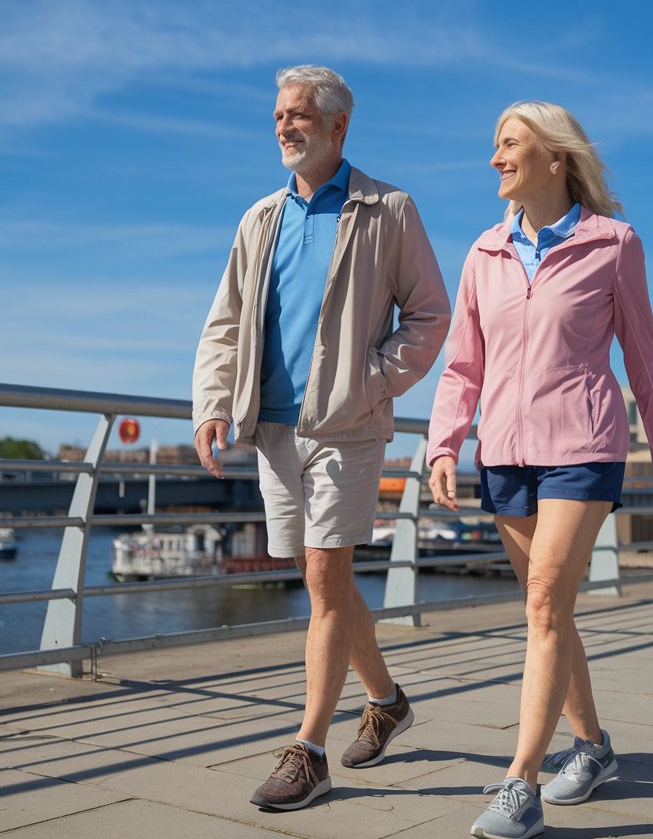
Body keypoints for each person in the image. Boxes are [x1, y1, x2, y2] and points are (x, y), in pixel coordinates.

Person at [426, 101, 653, 839]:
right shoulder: (483, 253)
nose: (493, 158)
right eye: (494, 145)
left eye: (508, 144)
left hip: (583, 445)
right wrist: (445, 443)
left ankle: (521, 785)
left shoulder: (614, 244)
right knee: (552, 610)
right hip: (504, 454)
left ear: (555, 156)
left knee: (544, 605)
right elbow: (463, 364)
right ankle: (594, 747)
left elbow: (643, 357)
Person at [193, 65, 451, 811]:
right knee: (323, 582)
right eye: (277, 115)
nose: (283, 126)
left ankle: (308, 749)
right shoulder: (259, 219)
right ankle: (389, 701)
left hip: (348, 427)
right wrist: (214, 403)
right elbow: (225, 323)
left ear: (339, 125)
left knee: (324, 580)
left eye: (299, 114)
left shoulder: (388, 210)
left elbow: (429, 315)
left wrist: (373, 382)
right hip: (273, 427)